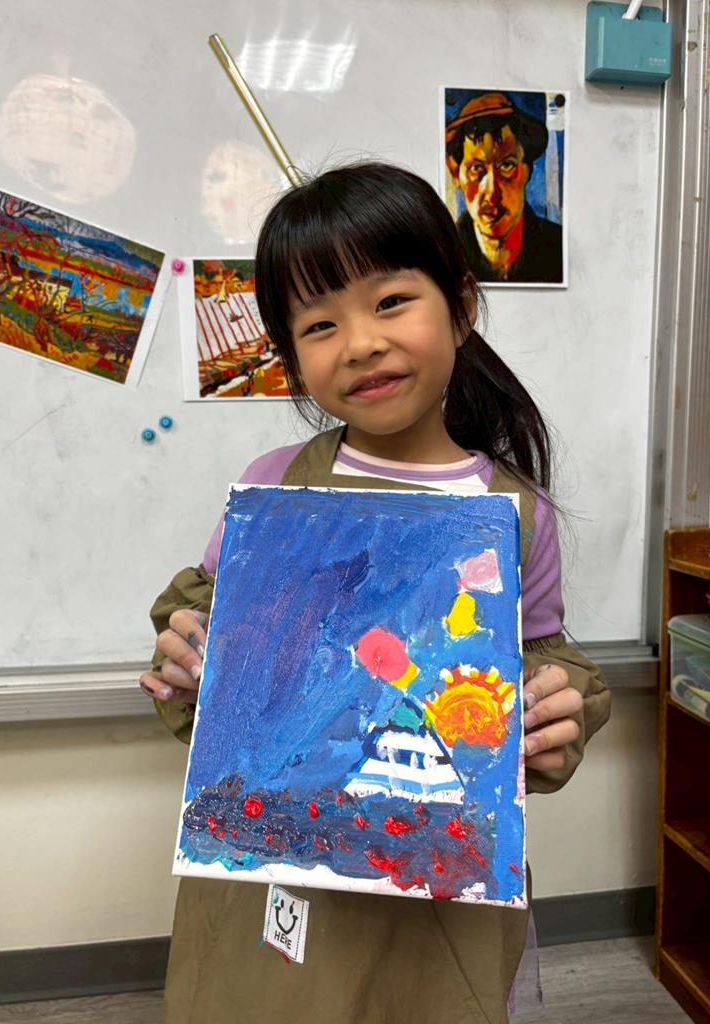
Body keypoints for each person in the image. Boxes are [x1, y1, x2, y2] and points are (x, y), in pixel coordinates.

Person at [140, 162, 610, 1024]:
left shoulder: (512, 513)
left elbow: (541, 659)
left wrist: (554, 707)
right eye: (319, 324)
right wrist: (187, 659)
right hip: (276, 880)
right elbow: (214, 655)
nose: (359, 343)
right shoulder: (273, 489)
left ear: (460, 308)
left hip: (434, 898)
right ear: (290, 358)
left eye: (391, 301)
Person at [445, 92, 563, 284]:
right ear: (456, 173)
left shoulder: (559, 249)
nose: (492, 192)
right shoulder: (445, 256)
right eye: (476, 169)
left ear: (527, 171)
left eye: (506, 166)